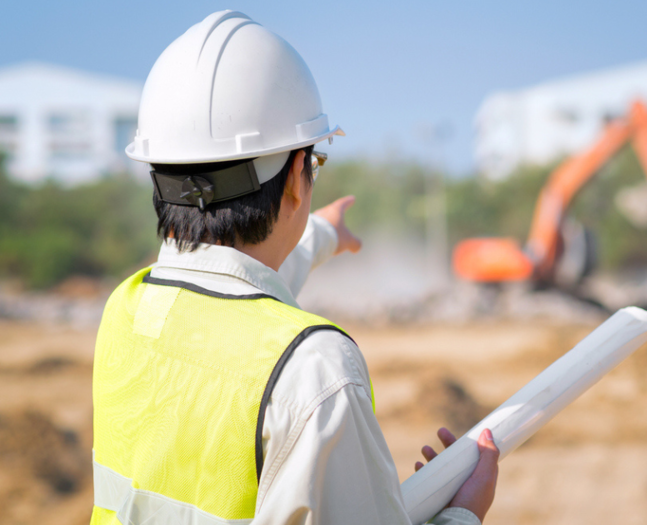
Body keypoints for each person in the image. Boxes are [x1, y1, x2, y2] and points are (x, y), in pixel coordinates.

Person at [91, 11, 497, 525]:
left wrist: (321, 235)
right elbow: (259, 331)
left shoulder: (128, 312)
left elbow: (233, 295)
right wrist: (461, 514)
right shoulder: (316, 371)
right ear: (295, 182)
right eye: (314, 163)